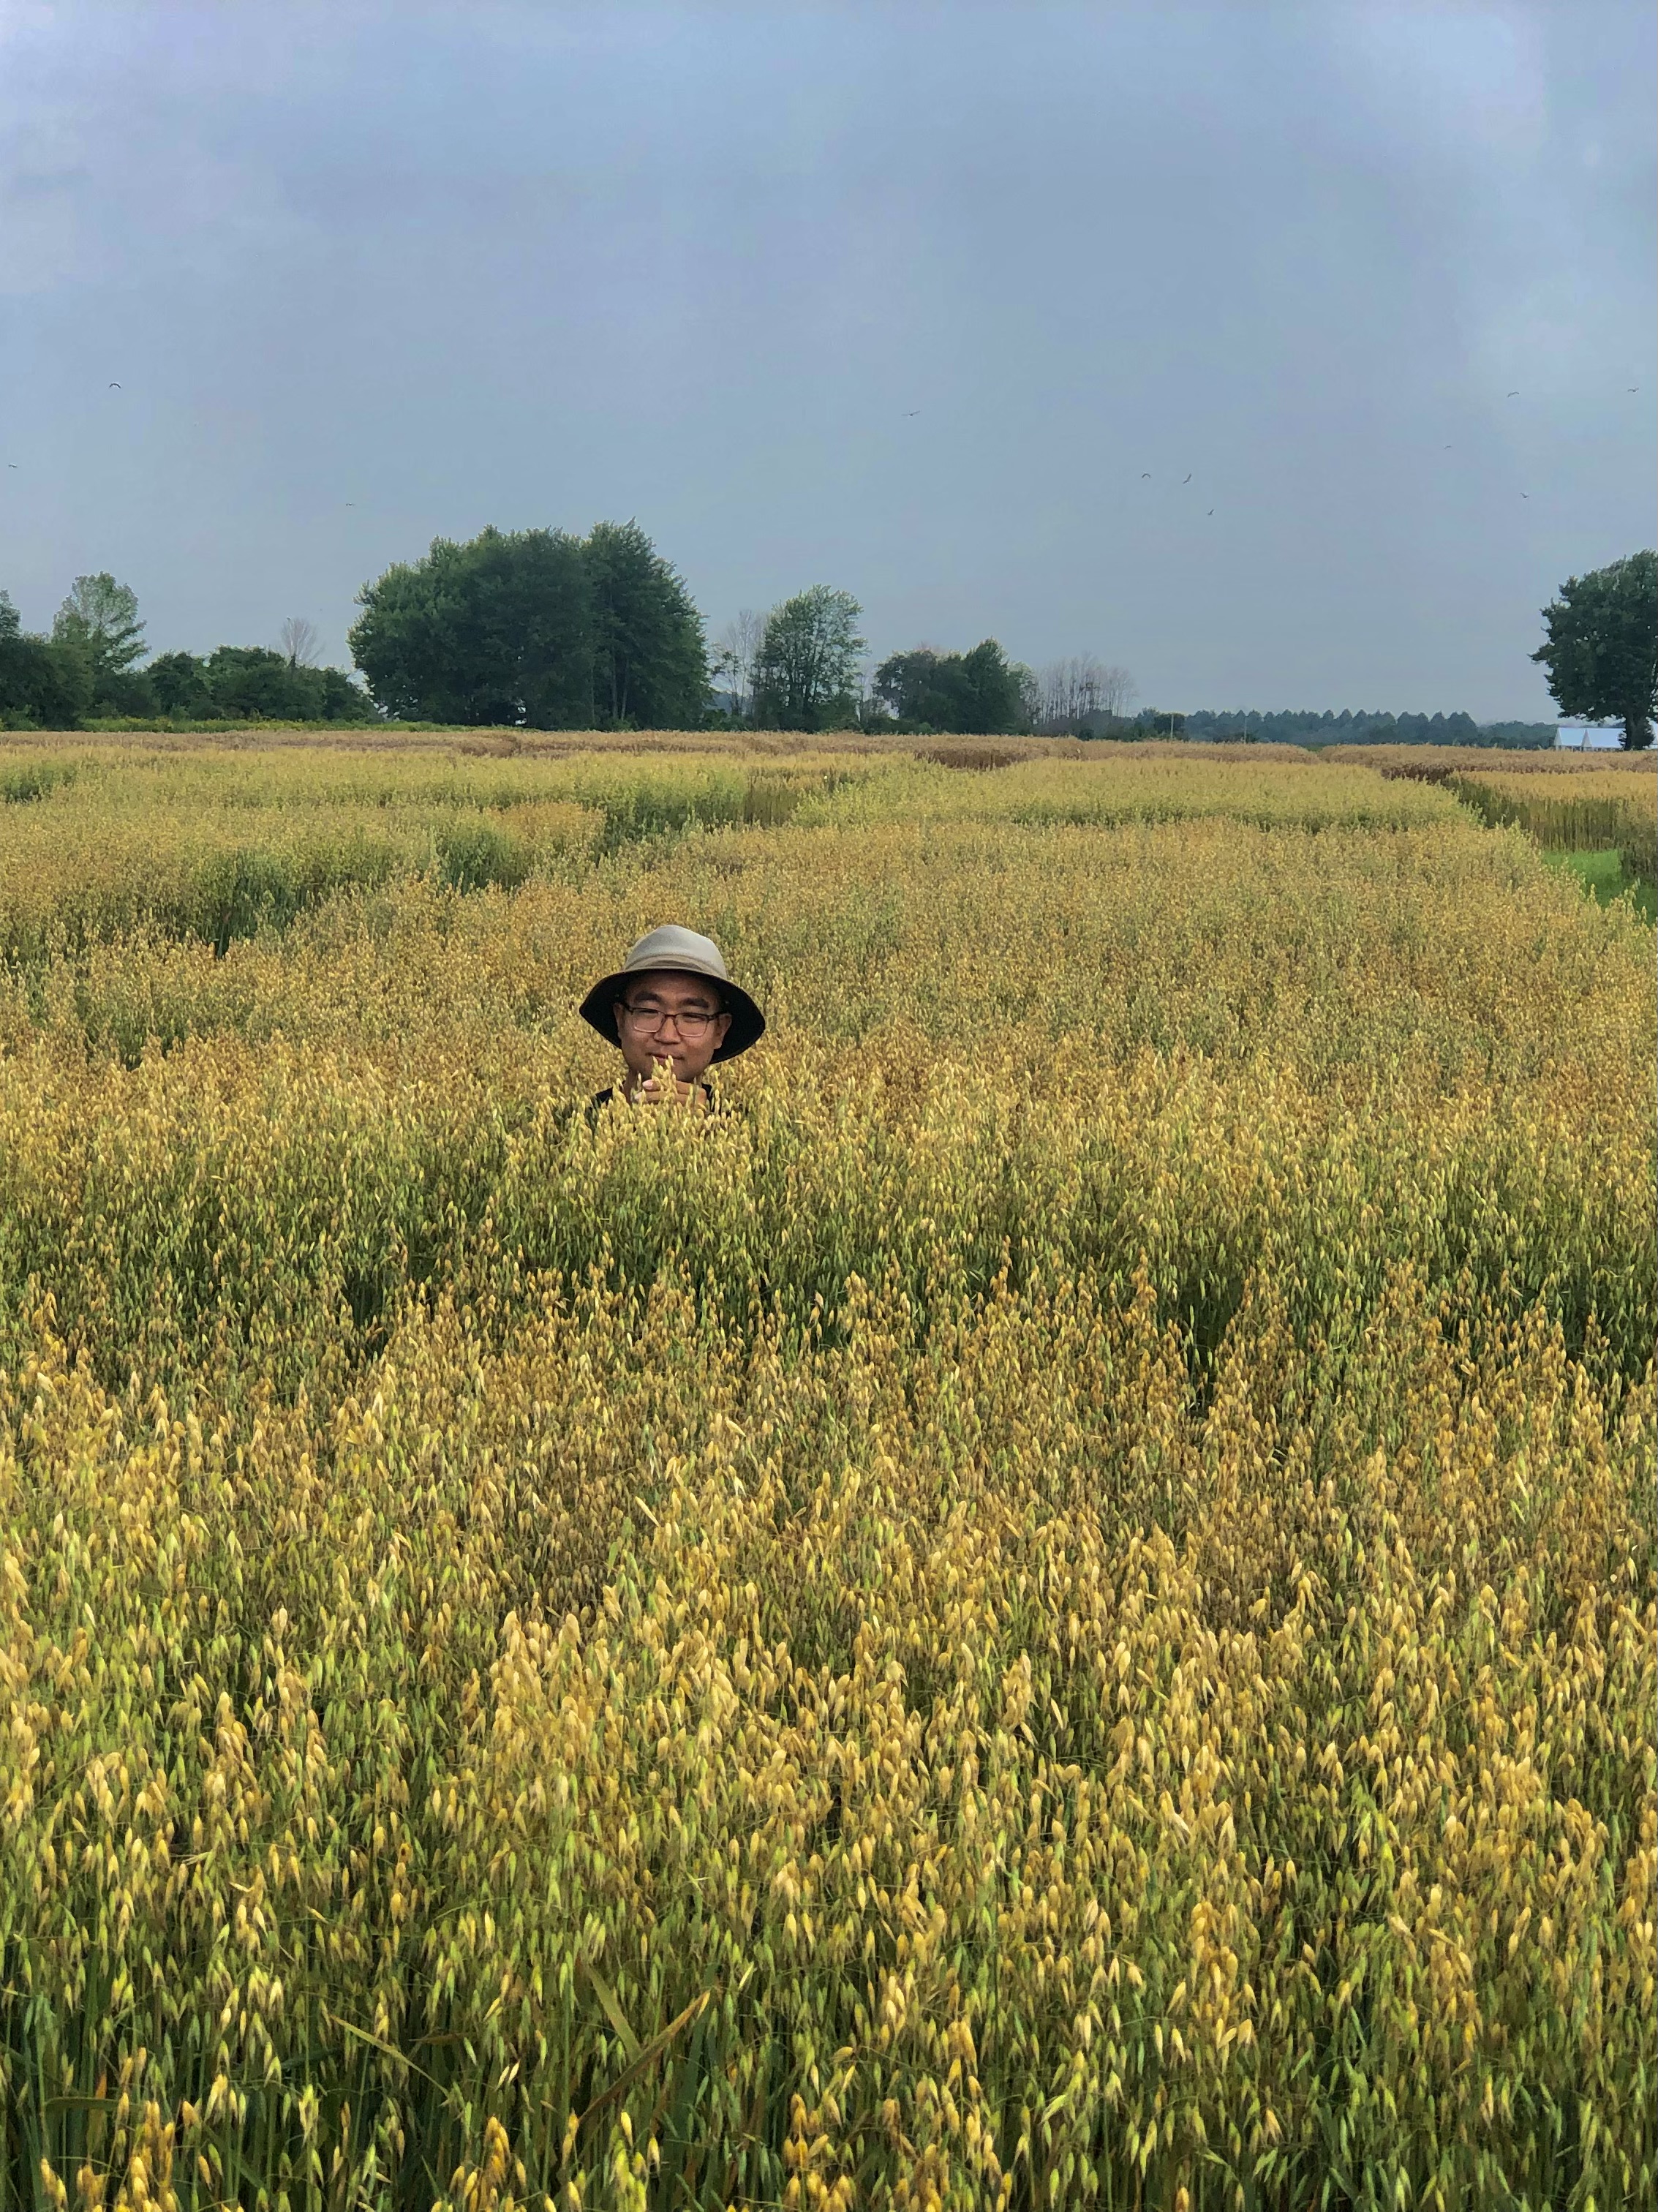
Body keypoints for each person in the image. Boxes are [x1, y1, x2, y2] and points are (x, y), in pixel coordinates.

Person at [579, 924, 765, 1110]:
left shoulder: (754, 1132)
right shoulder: (564, 1127)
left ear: (720, 1031)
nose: (667, 1036)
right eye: (649, 1011)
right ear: (620, 1019)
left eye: (692, 1016)